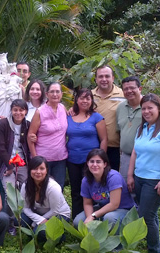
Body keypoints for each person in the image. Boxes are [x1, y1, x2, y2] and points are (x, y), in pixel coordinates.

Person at [127, 93, 160, 253]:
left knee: (146, 216)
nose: (146, 111)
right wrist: (130, 175)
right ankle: (152, 243)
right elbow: (135, 153)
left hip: (155, 181)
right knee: (150, 214)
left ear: (159, 108)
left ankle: (154, 249)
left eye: (150, 108)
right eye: (143, 108)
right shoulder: (142, 129)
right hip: (140, 178)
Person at [116, 76, 160, 180]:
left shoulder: (149, 105)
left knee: (142, 189)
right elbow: (119, 131)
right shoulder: (120, 107)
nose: (129, 91)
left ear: (140, 89)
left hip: (146, 157)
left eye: (132, 88)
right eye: (125, 89)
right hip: (126, 157)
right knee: (126, 189)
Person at [66, 88, 108, 219]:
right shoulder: (69, 116)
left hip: (91, 162)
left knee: (93, 190)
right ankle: (77, 219)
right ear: (76, 100)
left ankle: (95, 217)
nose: (84, 101)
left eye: (88, 98)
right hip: (72, 160)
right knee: (76, 191)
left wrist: (100, 160)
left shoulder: (97, 117)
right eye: (82, 98)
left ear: (91, 101)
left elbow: (104, 139)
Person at [0, 99, 30, 235]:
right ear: (11, 110)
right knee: (10, 192)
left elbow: (29, 147)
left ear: (25, 111)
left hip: (23, 163)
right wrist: (9, 166)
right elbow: (1, 147)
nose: (18, 113)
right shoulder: (3, 123)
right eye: (15, 110)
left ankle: (24, 220)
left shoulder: (28, 125)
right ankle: (10, 222)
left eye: (21, 110)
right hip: (5, 162)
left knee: (26, 189)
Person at [72, 149, 135, 229]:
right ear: (87, 163)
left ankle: (117, 239)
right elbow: (87, 203)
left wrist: (94, 215)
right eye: (92, 161)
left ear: (105, 164)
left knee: (109, 218)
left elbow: (114, 204)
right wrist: (89, 218)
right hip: (102, 208)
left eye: (98, 162)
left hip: (122, 209)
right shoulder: (86, 180)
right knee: (78, 221)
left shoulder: (114, 177)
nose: (95, 165)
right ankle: (95, 238)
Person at [20, 156, 71, 241]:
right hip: (40, 214)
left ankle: (60, 237)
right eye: (35, 169)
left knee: (40, 232)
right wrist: (39, 220)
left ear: (46, 170)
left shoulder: (53, 187)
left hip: (59, 214)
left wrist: (35, 223)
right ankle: (39, 233)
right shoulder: (26, 186)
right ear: (29, 170)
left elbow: (55, 210)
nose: (38, 172)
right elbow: (25, 207)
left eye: (42, 168)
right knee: (20, 219)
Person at [28, 82, 68, 189]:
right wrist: (35, 158)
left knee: (58, 189)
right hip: (43, 159)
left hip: (60, 158)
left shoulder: (63, 108)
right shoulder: (40, 112)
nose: (55, 94)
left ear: (61, 94)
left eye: (57, 92)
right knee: (42, 189)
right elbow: (30, 135)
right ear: (47, 94)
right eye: (52, 92)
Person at [91, 65, 125, 171]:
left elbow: (144, 103)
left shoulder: (124, 94)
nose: (104, 79)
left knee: (113, 179)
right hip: (93, 146)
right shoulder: (89, 96)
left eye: (107, 76)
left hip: (116, 147)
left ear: (113, 78)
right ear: (96, 79)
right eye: (100, 77)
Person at [0, 53, 22, 117]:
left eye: (3, 64)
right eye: (0, 65)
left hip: (10, 99)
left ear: (6, 64)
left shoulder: (13, 77)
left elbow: (17, 87)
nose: (2, 66)